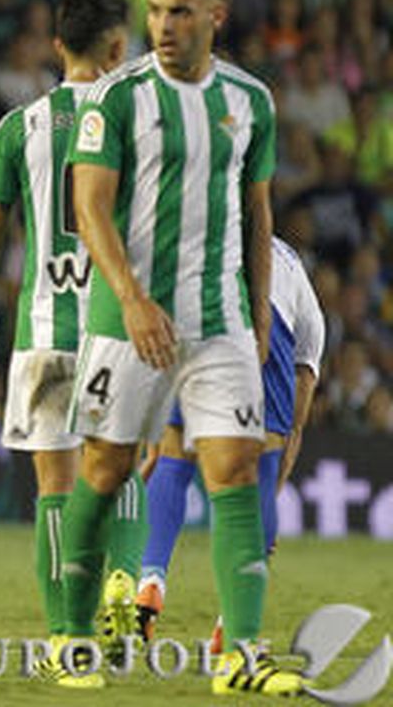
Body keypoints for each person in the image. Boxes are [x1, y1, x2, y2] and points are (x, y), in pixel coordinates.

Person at [54, 0, 302, 695]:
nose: (163, 25)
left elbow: (257, 215)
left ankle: (240, 657)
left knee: (235, 469)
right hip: (126, 321)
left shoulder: (251, 101)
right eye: (156, 10)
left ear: (215, 17)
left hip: (220, 318)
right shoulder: (117, 98)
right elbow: (89, 208)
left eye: (180, 11)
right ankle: (70, 637)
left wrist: (260, 312)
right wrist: (132, 298)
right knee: (103, 472)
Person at [0, 0, 145, 659]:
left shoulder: (21, 126)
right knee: (122, 467)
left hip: (45, 331)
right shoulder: (139, 121)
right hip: (120, 326)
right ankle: (124, 578)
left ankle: (69, 635)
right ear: (119, 49)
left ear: (57, 45)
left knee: (56, 485)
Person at [134, 236, 325, 647]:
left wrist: (153, 445)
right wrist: (270, 499)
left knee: (173, 457)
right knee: (259, 470)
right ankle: (233, 623)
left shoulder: (208, 232)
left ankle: (149, 580)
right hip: (268, 323)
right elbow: (294, 424)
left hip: (200, 308)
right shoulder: (298, 282)